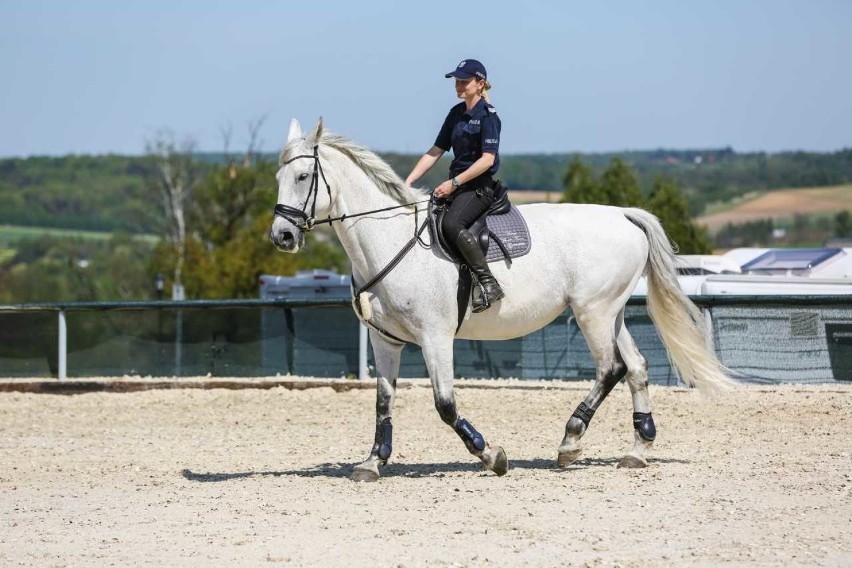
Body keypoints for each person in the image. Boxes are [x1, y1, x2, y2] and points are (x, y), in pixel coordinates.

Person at [405, 58, 505, 313]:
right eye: (457, 81)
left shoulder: (488, 117)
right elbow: (435, 151)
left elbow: (487, 160)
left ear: (480, 83)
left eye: (464, 81)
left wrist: (454, 182)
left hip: (478, 188)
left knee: (451, 223)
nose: (458, 85)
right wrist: (407, 182)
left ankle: (489, 283)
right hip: (458, 187)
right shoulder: (455, 113)